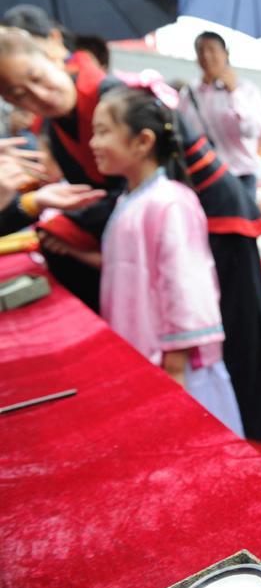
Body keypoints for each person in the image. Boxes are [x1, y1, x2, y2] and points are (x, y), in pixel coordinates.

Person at [0, 26, 261, 454]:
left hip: (214, 224)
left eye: (36, 78)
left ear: (52, 52)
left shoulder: (119, 107)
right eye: (18, 93)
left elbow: (184, 285)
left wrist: (65, 224)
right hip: (163, 246)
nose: (36, 95)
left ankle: (251, 447)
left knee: (235, 348)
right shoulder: (69, 129)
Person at [61, 86, 243, 437]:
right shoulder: (131, 200)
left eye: (103, 132)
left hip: (176, 366)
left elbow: (186, 285)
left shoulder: (170, 201)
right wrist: (74, 251)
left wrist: (175, 366)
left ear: (143, 141)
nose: (93, 143)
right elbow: (129, 270)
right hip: (145, 354)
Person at [178, 31, 261, 198]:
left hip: (241, 175)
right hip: (204, 175)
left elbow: (253, 130)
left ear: (225, 53)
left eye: (212, 49)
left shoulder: (246, 89)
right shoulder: (189, 94)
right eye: (201, 50)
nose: (206, 55)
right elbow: (183, 133)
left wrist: (234, 92)